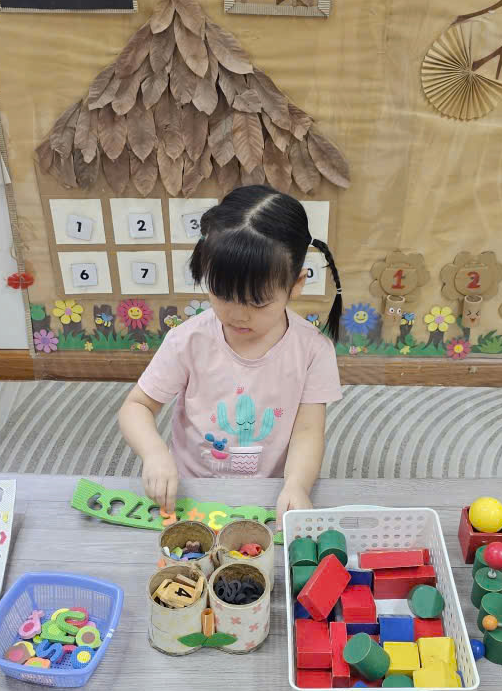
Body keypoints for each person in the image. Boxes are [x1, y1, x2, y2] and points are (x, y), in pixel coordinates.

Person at [118, 185, 342, 520]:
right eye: (222, 295)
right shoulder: (188, 341)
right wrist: (154, 454)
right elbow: (136, 406)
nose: (237, 315)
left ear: (296, 284)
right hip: (190, 489)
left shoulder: (313, 350)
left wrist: (297, 485)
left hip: (270, 493)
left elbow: (308, 431)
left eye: (257, 302)